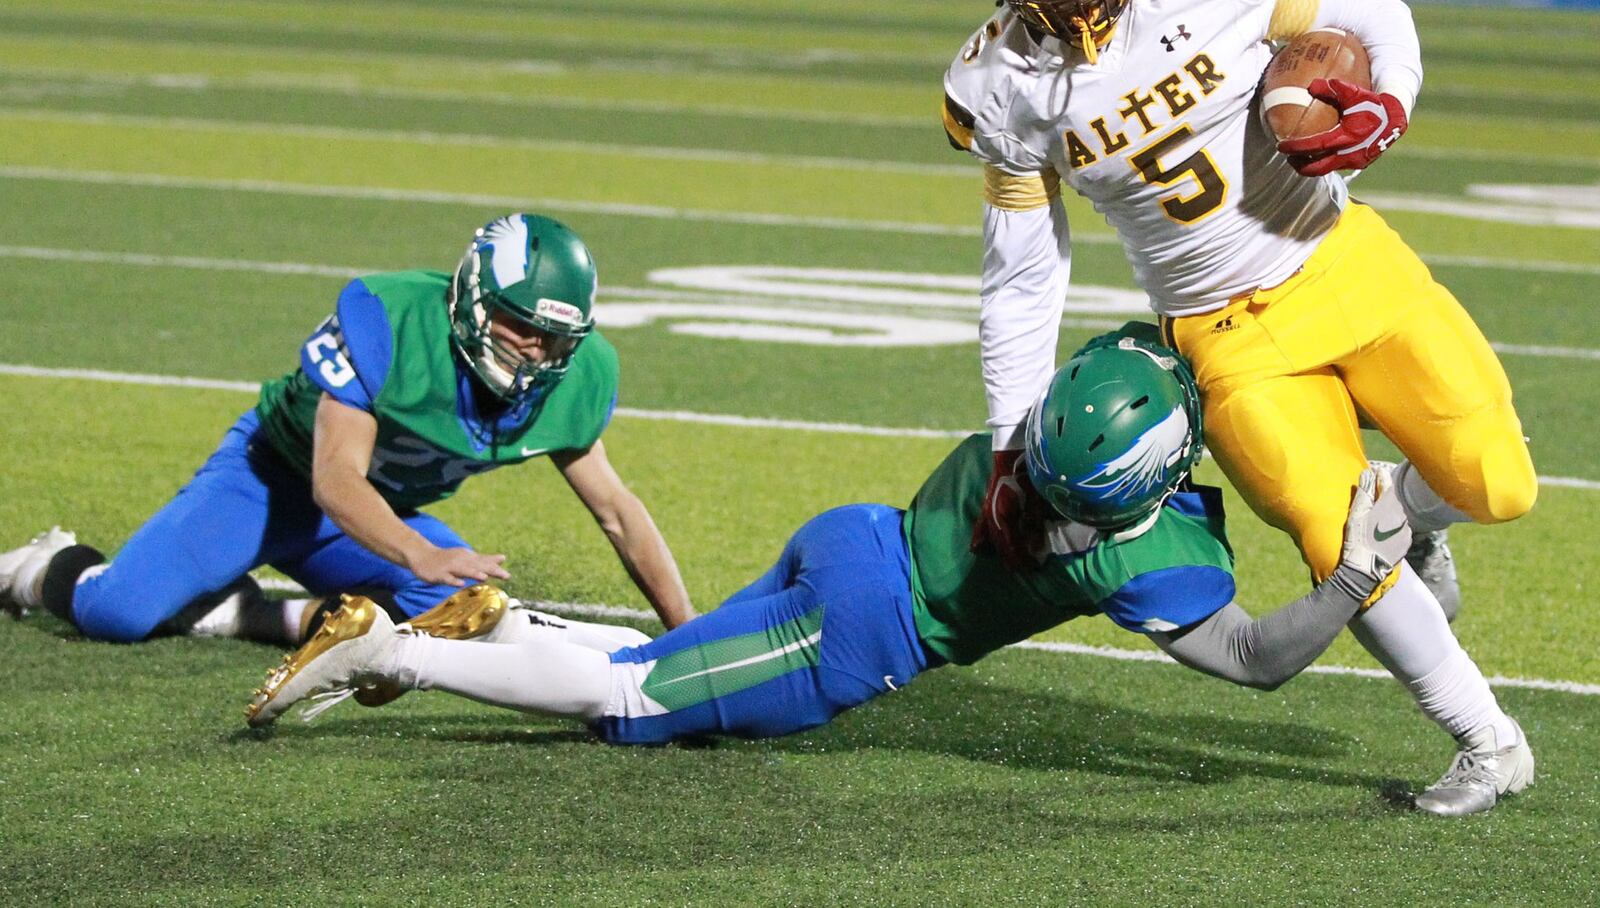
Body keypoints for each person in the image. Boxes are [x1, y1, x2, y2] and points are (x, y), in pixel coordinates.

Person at [243, 329, 1491, 813]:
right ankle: (389, 647)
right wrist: (1353, 576)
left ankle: (497, 625)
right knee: (629, 705)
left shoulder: (1053, 418)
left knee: (636, 672)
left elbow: (1173, 356)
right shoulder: (1149, 544)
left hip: (854, 533)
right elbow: (1257, 661)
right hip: (861, 635)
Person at [942, 0, 1538, 812]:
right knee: (1330, 534)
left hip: (1340, 257)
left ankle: (1412, 516)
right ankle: (1488, 739)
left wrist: (1386, 102)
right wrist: (1012, 438)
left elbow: (1372, 9)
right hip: (1222, 336)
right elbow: (1023, 268)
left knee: (1497, 483)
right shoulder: (1001, 83)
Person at [0, 213, 695, 656]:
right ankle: (39, 568)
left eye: (555, 338)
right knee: (119, 611)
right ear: (472, 301)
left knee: (471, 615)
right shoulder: (390, 320)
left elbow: (617, 512)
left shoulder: (579, 377)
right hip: (271, 481)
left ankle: (245, 616)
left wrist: (688, 633)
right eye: (522, 327)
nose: (537, 353)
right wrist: (418, 550)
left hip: (368, 515)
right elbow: (334, 479)